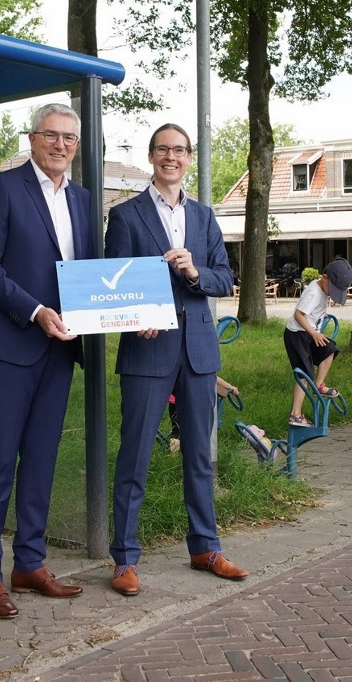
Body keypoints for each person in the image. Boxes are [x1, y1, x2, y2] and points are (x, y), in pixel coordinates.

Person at [105, 123, 245, 597]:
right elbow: (114, 284)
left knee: (200, 456)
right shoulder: (125, 216)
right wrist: (133, 318)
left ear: (189, 159)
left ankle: (205, 547)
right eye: (163, 149)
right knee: (136, 454)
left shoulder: (204, 216)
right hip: (147, 349)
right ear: (151, 157)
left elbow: (225, 279)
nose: (171, 157)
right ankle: (124, 558)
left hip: (199, 350)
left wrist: (194, 271)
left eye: (180, 150)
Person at [0, 103, 92, 620]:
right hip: (12, 345)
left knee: (41, 460)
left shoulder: (83, 200)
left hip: (61, 349)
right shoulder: (2, 188)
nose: (60, 145)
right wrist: (35, 310)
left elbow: (90, 273)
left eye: (69, 138)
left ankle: (30, 563)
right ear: (33, 139)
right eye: (51, 136)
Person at [284, 258, 352, 427]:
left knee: (329, 350)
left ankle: (319, 385)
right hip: (297, 334)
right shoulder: (314, 293)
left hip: (309, 332)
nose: (333, 294)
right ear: (324, 277)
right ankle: (296, 415)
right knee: (304, 374)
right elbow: (298, 315)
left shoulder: (322, 288)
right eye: (333, 290)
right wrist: (314, 333)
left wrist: (320, 321)